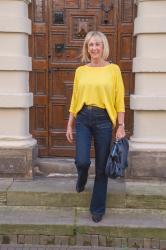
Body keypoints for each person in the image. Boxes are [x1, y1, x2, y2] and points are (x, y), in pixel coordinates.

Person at [66, 31, 125, 223]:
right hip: (83, 118)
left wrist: (121, 125)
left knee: (101, 167)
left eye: (98, 44)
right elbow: (75, 99)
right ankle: (82, 177)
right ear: (87, 48)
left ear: (103, 47)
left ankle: (97, 208)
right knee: (82, 161)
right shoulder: (80, 71)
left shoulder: (113, 70)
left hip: (104, 120)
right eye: (91, 45)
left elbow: (119, 100)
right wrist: (69, 124)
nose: (94, 48)